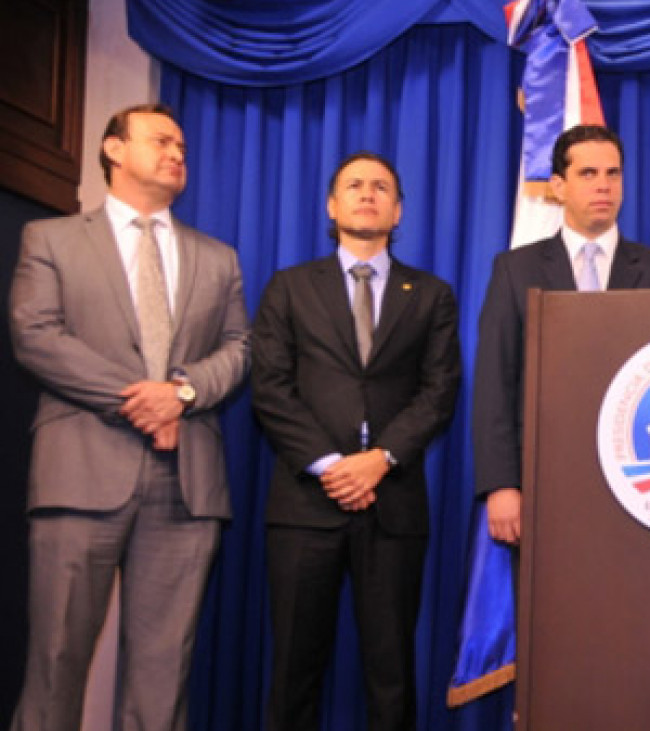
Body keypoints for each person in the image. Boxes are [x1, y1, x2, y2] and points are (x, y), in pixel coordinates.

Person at [7, 103, 250, 730]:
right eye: (161, 140)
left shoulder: (218, 257)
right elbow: (36, 336)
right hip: (79, 476)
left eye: (183, 149)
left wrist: (184, 393)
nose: (176, 154)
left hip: (186, 486)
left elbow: (239, 349)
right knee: (55, 664)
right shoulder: (51, 239)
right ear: (113, 149)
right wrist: (144, 398)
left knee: (162, 677)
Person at [250, 152, 461, 730]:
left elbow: (439, 391)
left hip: (393, 506)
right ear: (331, 205)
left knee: (392, 674)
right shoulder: (289, 288)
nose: (367, 194)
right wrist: (330, 465)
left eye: (381, 187)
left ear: (397, 211)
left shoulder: (432, 294)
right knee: (294, 669)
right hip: (305, 506)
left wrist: (379, 461)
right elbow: (269, 387)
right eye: (353, 185)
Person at [474, 124, 650, 546]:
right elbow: (494, 384)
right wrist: (501, 485)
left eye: (613, 174)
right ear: (558, 185)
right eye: (588, 174)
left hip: (640, 481)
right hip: (543, 480)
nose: (604, 186)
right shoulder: (515, 270)